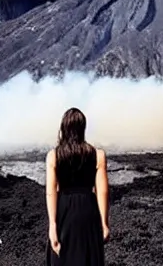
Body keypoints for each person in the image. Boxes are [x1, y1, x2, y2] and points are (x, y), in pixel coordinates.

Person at [45, 107, 110, 266]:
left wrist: (52, 225)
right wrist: (104, 223)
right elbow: (102, 191)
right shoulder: (98, 155)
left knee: (62, 259)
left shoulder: (54, 155)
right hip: (88, 210)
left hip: (64, 210)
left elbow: (50, 192)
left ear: (63, 128)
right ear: (83, 128)